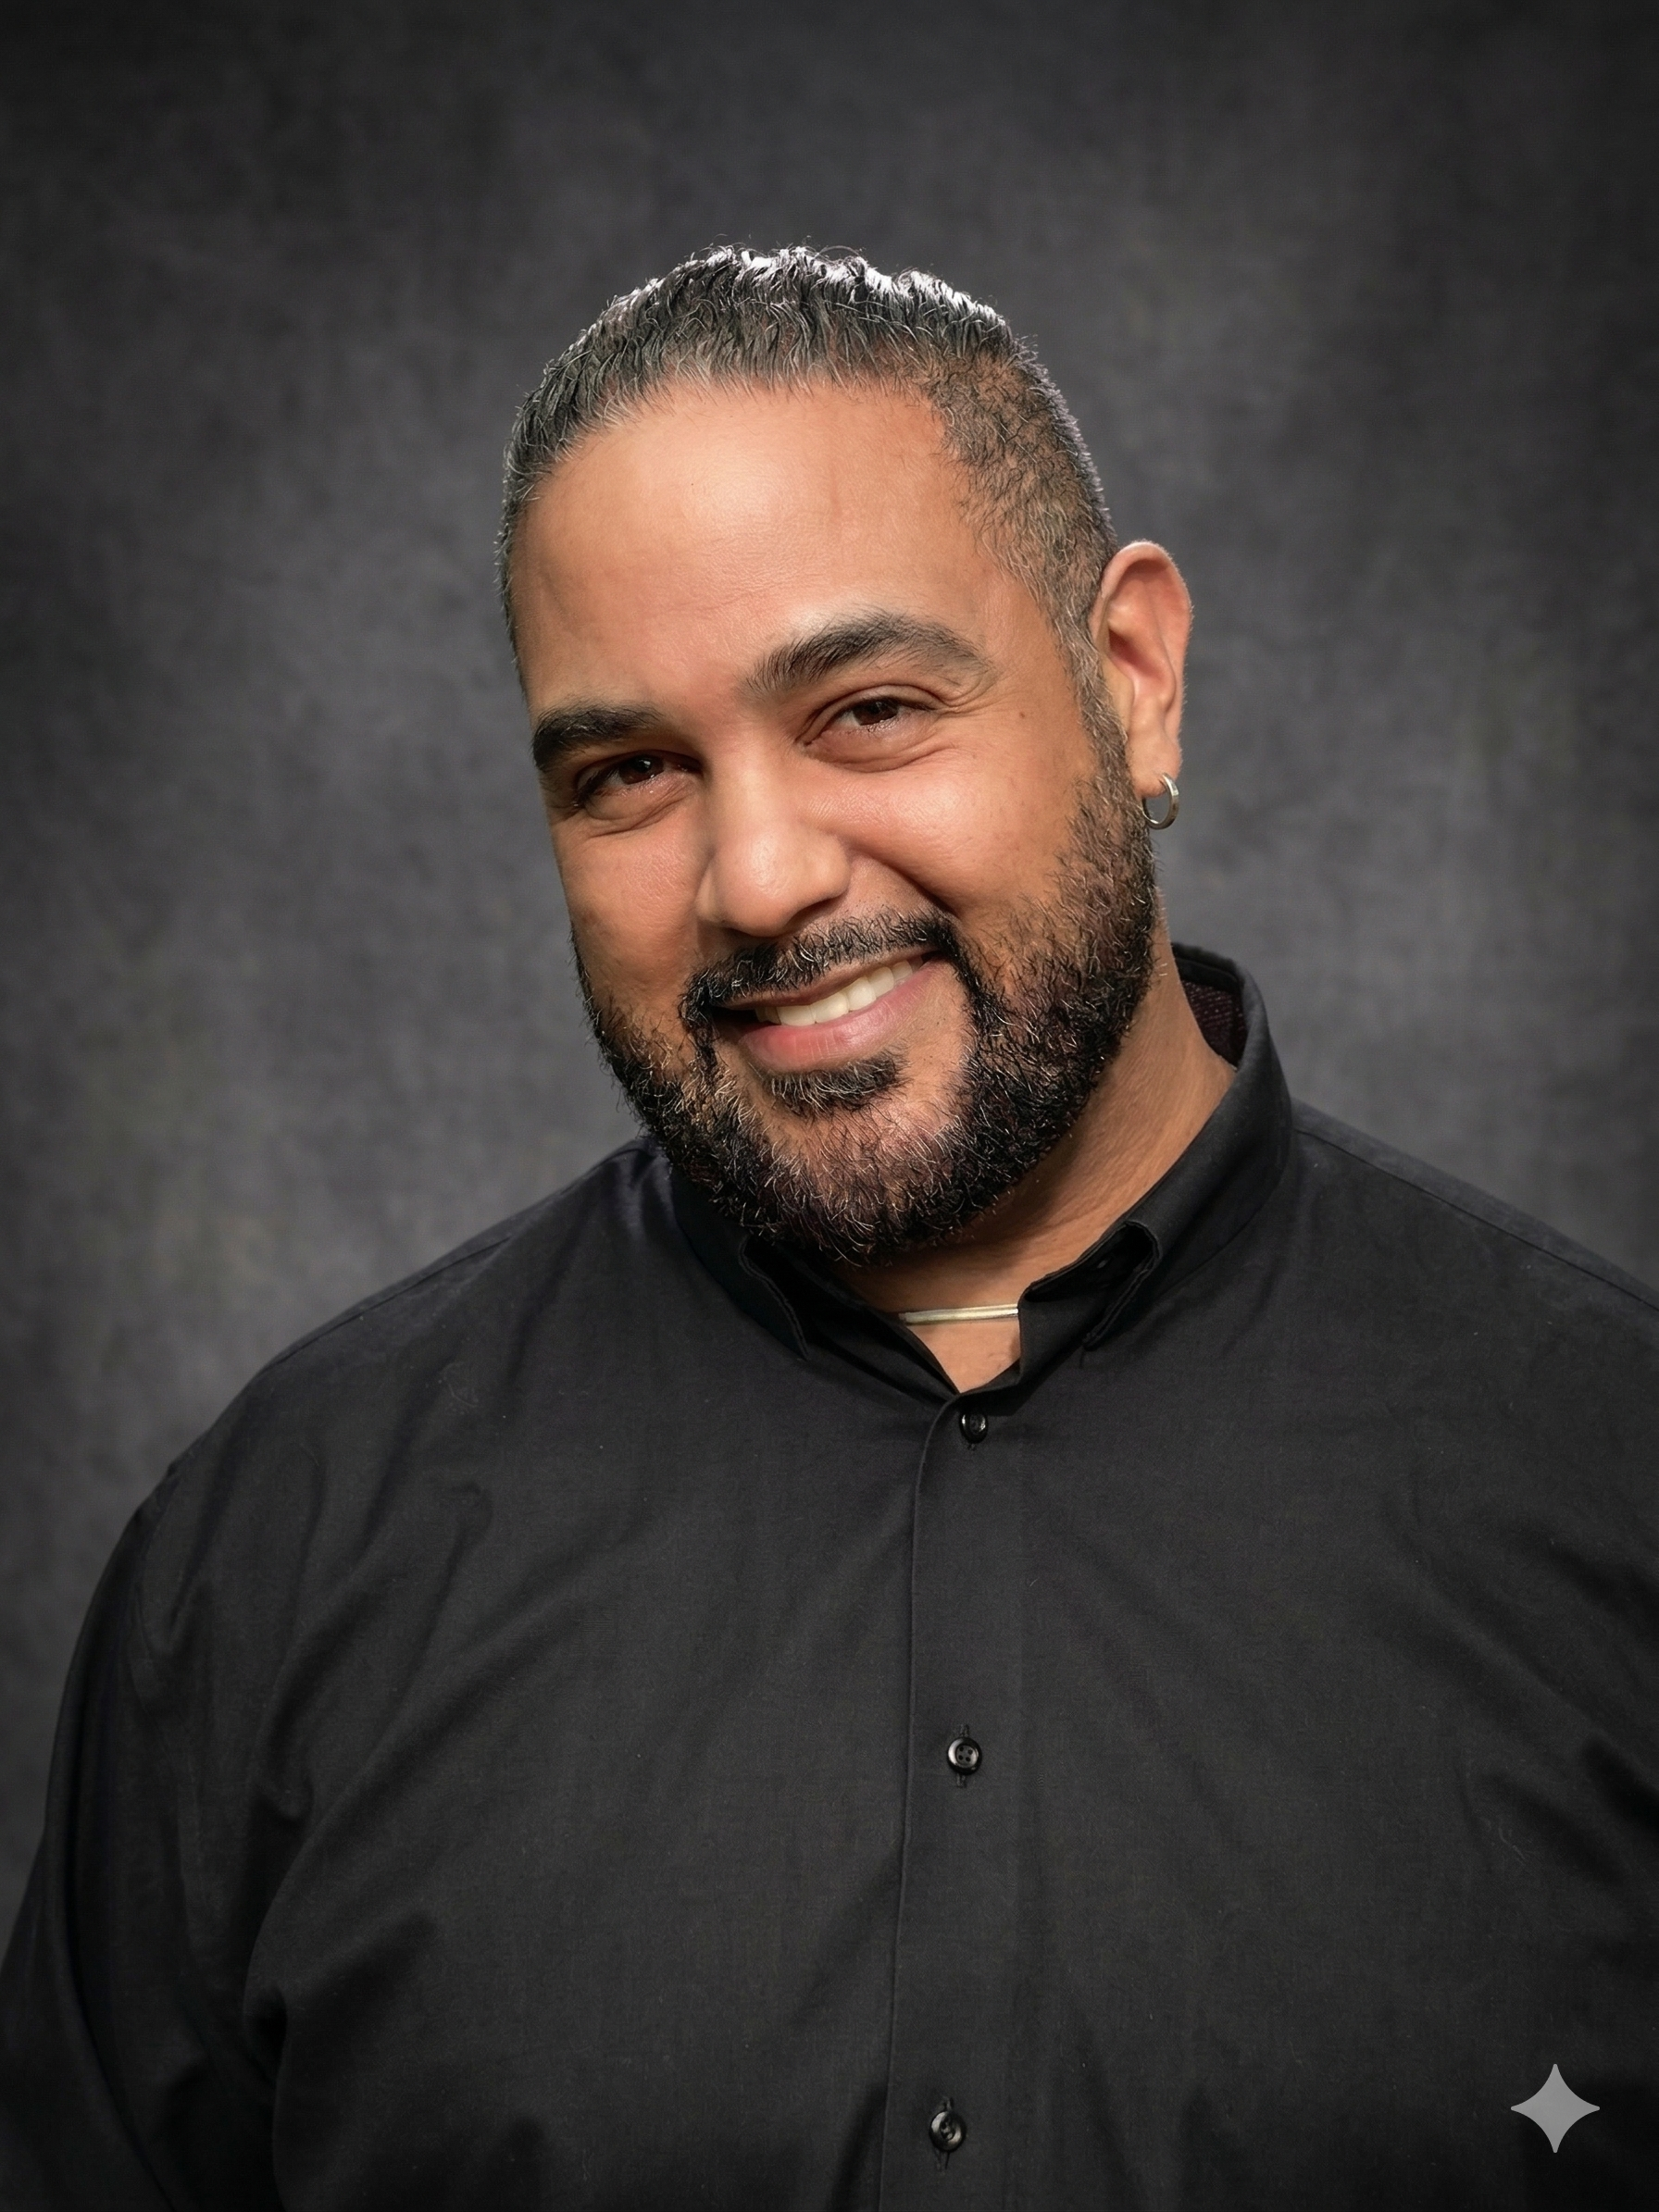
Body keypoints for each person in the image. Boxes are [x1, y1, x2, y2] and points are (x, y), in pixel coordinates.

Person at [1, 246, 1653, 2212]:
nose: (759, 876)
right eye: (627, 773)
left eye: (867, 708)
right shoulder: (277, 1549)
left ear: (1128, 681)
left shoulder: (1604, 1479)